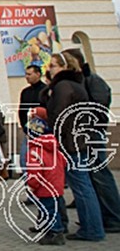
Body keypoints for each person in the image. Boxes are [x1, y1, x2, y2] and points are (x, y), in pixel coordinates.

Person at [45, 52, 105, 241]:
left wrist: (56, 139)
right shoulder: (76, 85)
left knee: (81, 187)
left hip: (70, 144)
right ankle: (93, 227)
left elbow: (58, 114)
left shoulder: (63, 86)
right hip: (79, 141)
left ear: (64, 67)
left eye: (53, 65)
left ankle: (92, 230)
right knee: (84, 185)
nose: (50, 69)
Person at [64, 48, 120, 233]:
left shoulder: (92, 80)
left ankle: (113, 217)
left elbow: (98, 106)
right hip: (82, 134)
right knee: (90, 177)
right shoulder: (80, 81)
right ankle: (100, 216)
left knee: (100, 175)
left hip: (92, 134)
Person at [26, 107, 67, 246]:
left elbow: (34, 172)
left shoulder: (34, 151)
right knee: (57, 209)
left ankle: (55, 233)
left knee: (48, 210)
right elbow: (64, 163)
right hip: (57, 186)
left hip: (44, 188)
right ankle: (59, 228)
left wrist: (31, 186)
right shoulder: (55, 148)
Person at [18, 64, 47, 183]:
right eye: (26, 74)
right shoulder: (25, 92)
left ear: (38, 74)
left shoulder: (46, 90)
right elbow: (22, 111)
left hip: (45, 127)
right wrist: (26, 128)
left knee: (45, 160)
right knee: (25, 159)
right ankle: (31, 190)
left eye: (29, 74)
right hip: (30, 127)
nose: (27, 77)